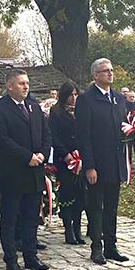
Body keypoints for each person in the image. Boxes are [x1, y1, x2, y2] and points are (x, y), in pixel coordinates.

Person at [0, 69, 51, 270]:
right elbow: (2, 140)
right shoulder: (0, 109)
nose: (25, 87)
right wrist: (27, 156)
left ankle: (30, 256)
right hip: (13, 173)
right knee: (10, 219)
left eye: (27, 83)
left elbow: (46, 135)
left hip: (35, 172)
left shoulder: (33, 106)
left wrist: (43, 154)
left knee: (31, 217)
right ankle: (11, 259)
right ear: (9, 86)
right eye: (21, 83)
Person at [76, 58, 129, 265]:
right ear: (95, 75)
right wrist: (89, 165)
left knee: (112, 207)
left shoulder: (118, 98)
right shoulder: (86, 99)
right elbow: (84, 136)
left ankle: (111, 246)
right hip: (97, 162)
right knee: (96, 206)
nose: (110, 74)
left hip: (115, 161)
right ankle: (96, 247)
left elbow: (123, 127)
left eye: (111, 70)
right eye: (105, 71)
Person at [49, 81, 85, 245]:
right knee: (67, 194)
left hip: (80, 157)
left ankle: (78, 228)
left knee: (80, 195)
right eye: (70, 95)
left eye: (76, 94)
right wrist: (65, 154)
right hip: (65, 158)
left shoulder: (80, 111)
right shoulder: (56, 111)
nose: (73, 98)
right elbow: (53, 135)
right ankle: (68, 229)